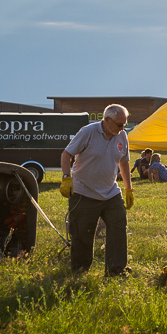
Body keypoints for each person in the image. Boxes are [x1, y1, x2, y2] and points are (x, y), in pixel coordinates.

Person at [60, 104, 135, 276]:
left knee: (118, 226)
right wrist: (66, 178)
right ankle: (80, 271)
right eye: (119, 124)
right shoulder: (88, 132)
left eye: (125, 124)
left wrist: (128, 189)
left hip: (110, 193)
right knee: (82, 233)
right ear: (107, 120)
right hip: (84, 192)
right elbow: (66, 154)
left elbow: (124, 162)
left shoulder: (122, 136)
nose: (122, 128)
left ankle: (116, 270)